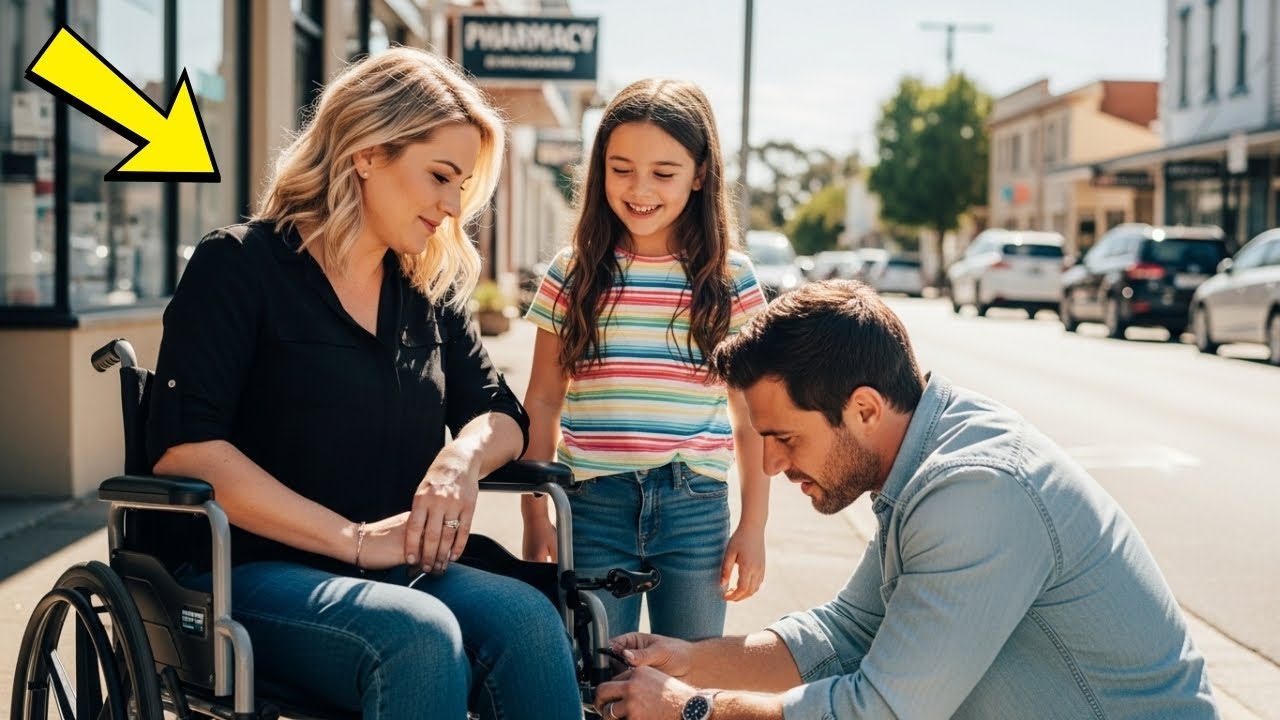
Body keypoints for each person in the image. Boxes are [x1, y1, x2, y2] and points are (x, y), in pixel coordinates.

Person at [146, 48, 582, 720]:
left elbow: (500, 413)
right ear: (366, 153)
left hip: (391, 567)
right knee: (418, 635)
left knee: (526, 617)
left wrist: (458, 461)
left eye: (461, 186)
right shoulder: (239, 266)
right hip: (248, 572)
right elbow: (188, 451)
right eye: (440, 176)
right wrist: (351, 539)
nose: (451, 207)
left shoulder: (424, 293)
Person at [592, 280, 1219, 719]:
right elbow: (846, 632)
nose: (771, 464)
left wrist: (692, 709)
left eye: (785, 437)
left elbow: (882, 710)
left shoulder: (975, 492)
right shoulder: (924, 455)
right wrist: (693, 661)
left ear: (864, 408)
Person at [521, 78, 771, 641]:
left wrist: (753, 524)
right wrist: (535, 514)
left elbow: (751, 414)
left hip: (695, 509)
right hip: (591, 507)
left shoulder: (731, 279)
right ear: (599, 168)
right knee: (600, 680)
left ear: (700, 174)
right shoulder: (573, 272)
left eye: (664, 173)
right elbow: (542, 400)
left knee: (689, 675)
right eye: (621, 168)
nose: (640, 189)